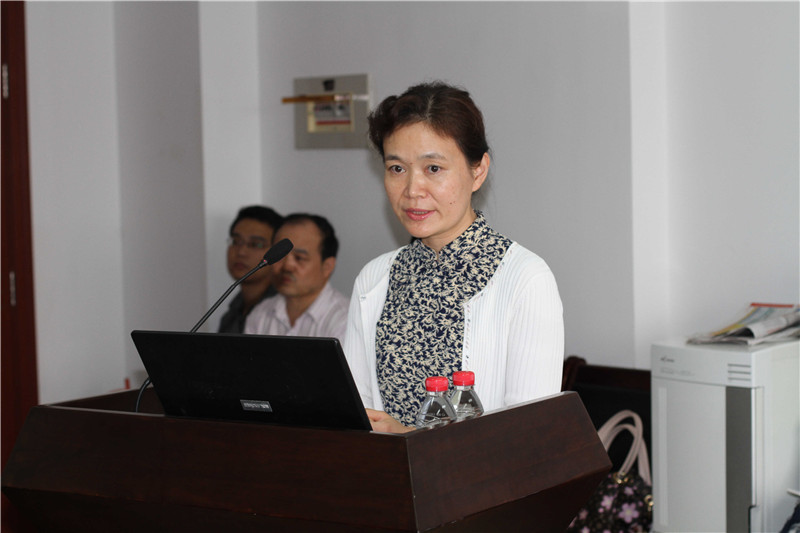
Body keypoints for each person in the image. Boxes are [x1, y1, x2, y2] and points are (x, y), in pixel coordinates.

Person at [343, 81, 564, 433]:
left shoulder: (525, 279)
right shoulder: (374, 279)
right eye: (397, 168)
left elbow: (530, 438)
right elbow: (356, 418)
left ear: (478, 171)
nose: (412, 190)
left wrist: (409, 439)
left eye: (433, 168)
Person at [245, 213, 348, 341]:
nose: (287, 266)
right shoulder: (261, 314)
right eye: (281, 256)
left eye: (299, 258)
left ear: (327, 267)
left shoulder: (344, 320)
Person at [218, 205, 284, 333]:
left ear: (277, 253)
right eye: (236, 241)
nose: (241, 252)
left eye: (255, 244)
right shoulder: (230, 315)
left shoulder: (283, 313)